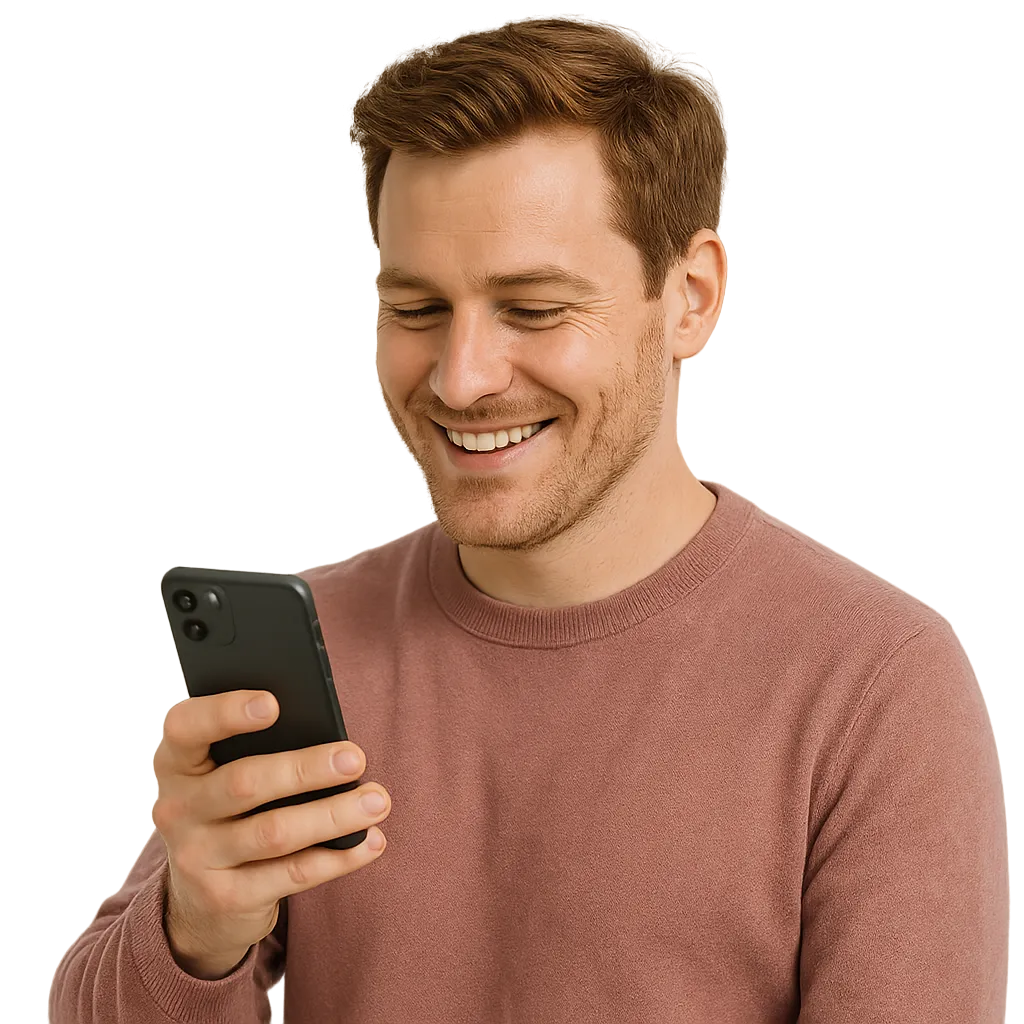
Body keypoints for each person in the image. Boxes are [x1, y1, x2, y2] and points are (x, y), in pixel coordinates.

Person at [49, 18, 1008, 1024]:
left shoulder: (875, 686)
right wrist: (196, 928)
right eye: (417, 310)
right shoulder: (314, 650)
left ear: (689, 297)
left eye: (535, 309)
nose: (460, 379)